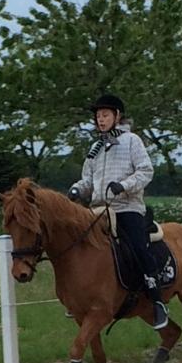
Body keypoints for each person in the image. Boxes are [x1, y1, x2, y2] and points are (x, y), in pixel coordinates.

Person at [68, 93, 168, 330]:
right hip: (97, 210)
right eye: (98, 116)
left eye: (105, 115)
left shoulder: (132, 141)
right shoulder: (95, 148)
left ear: (117, 116)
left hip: (127, 207)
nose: (100, 120)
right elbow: (88, 181)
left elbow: (146, 171)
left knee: (136, 246)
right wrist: (75, 189)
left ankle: (156, 300)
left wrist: (123, 186)